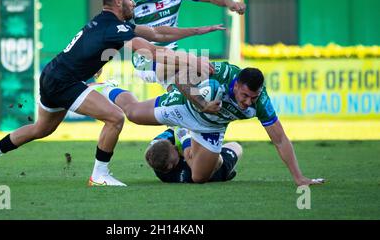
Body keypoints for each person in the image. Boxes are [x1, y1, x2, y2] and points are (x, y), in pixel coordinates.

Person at [0, 0, 225, 187]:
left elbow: (157, 33)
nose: (133, 2)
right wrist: (193, 61)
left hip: (52, 75)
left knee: (41, 129)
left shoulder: (112, 23)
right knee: (115, 117)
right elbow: (154, 52)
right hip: (64, 81)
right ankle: (99, 175)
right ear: (118, 2)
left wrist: (196, 31)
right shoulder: (115, 28)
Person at [96, 62, 325, 186]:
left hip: (211, 128)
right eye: (244, 96)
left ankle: (225, 151)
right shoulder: (220, 72)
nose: (247, 103)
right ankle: (108, 86)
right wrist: (202, 103)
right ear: (236, 85)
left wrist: (299, 177)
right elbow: (180, 79)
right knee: (133, 113)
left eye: (252, 98)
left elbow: (280, 139)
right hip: (184, 108)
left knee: (198, 178)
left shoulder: (261, 102)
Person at [131, 0, 246, 86]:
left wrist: (230, 3)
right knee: (188, 66)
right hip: (145, 59)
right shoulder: (132, 0)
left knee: (189, 88)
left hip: (171, 55)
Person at [145, 127, 242, 184]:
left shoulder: (157, 158)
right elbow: (218, 161)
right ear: (170, 166)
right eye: (175, 150)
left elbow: (171, 130)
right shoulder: (185, 174)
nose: (175, 147)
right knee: (235, 146)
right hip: (216, 169)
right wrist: (185, 140)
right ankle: (227, 173)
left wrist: (181, 126)